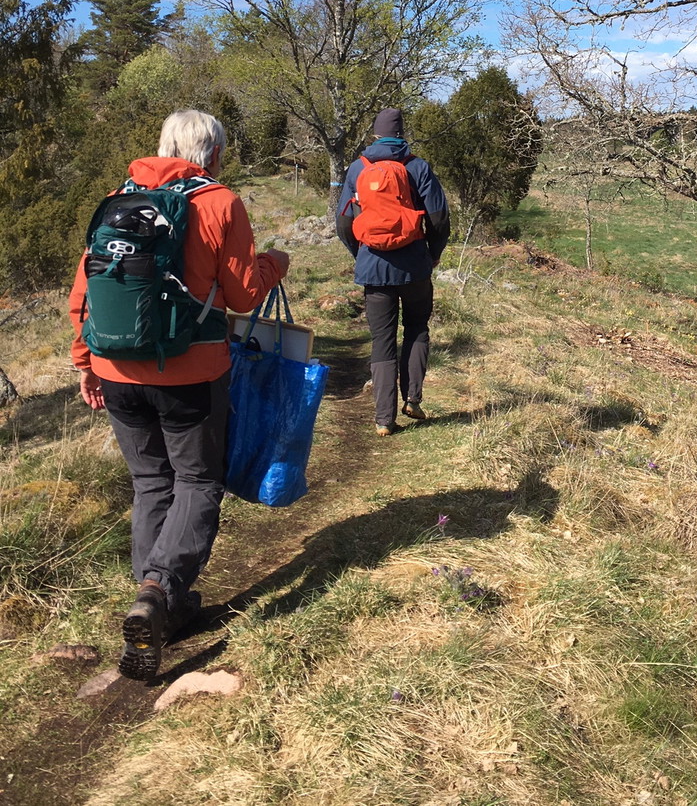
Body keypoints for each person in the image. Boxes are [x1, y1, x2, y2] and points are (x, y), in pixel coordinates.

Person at [69, 109, 290, 681]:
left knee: (150, 481)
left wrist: (85, 362)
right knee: (196, 479)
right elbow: (242, 295)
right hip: (190, 372)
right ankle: (161, 591)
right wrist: (275, 264)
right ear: (212, 153)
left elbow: (86, 288)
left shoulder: (118, 198)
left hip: (116, 368)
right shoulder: (219, 202)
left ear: (164, 146)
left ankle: (158, 598)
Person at [336, 107, 450, 436]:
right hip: (415, 264)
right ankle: (413, 399)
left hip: (373, 267)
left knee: (382, 340)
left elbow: (343, 222)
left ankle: (384, 419)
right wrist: (433, 253)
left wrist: (360, 252)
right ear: (402, 134)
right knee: (416, 327)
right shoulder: (417, 166)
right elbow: (439, 218)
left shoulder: (358, 168)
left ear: (375, 134)